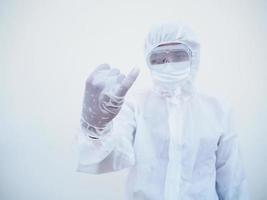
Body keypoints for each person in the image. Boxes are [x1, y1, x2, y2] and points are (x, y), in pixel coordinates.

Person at [75, 22, 249, 200]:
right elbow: (113, 155)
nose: (168, 64)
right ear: (148, 60)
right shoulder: (135, 104)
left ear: (194, 56)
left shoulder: (218, 110)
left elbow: (233, 182)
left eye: (178, 55)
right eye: (159, 58)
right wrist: (96, 127)